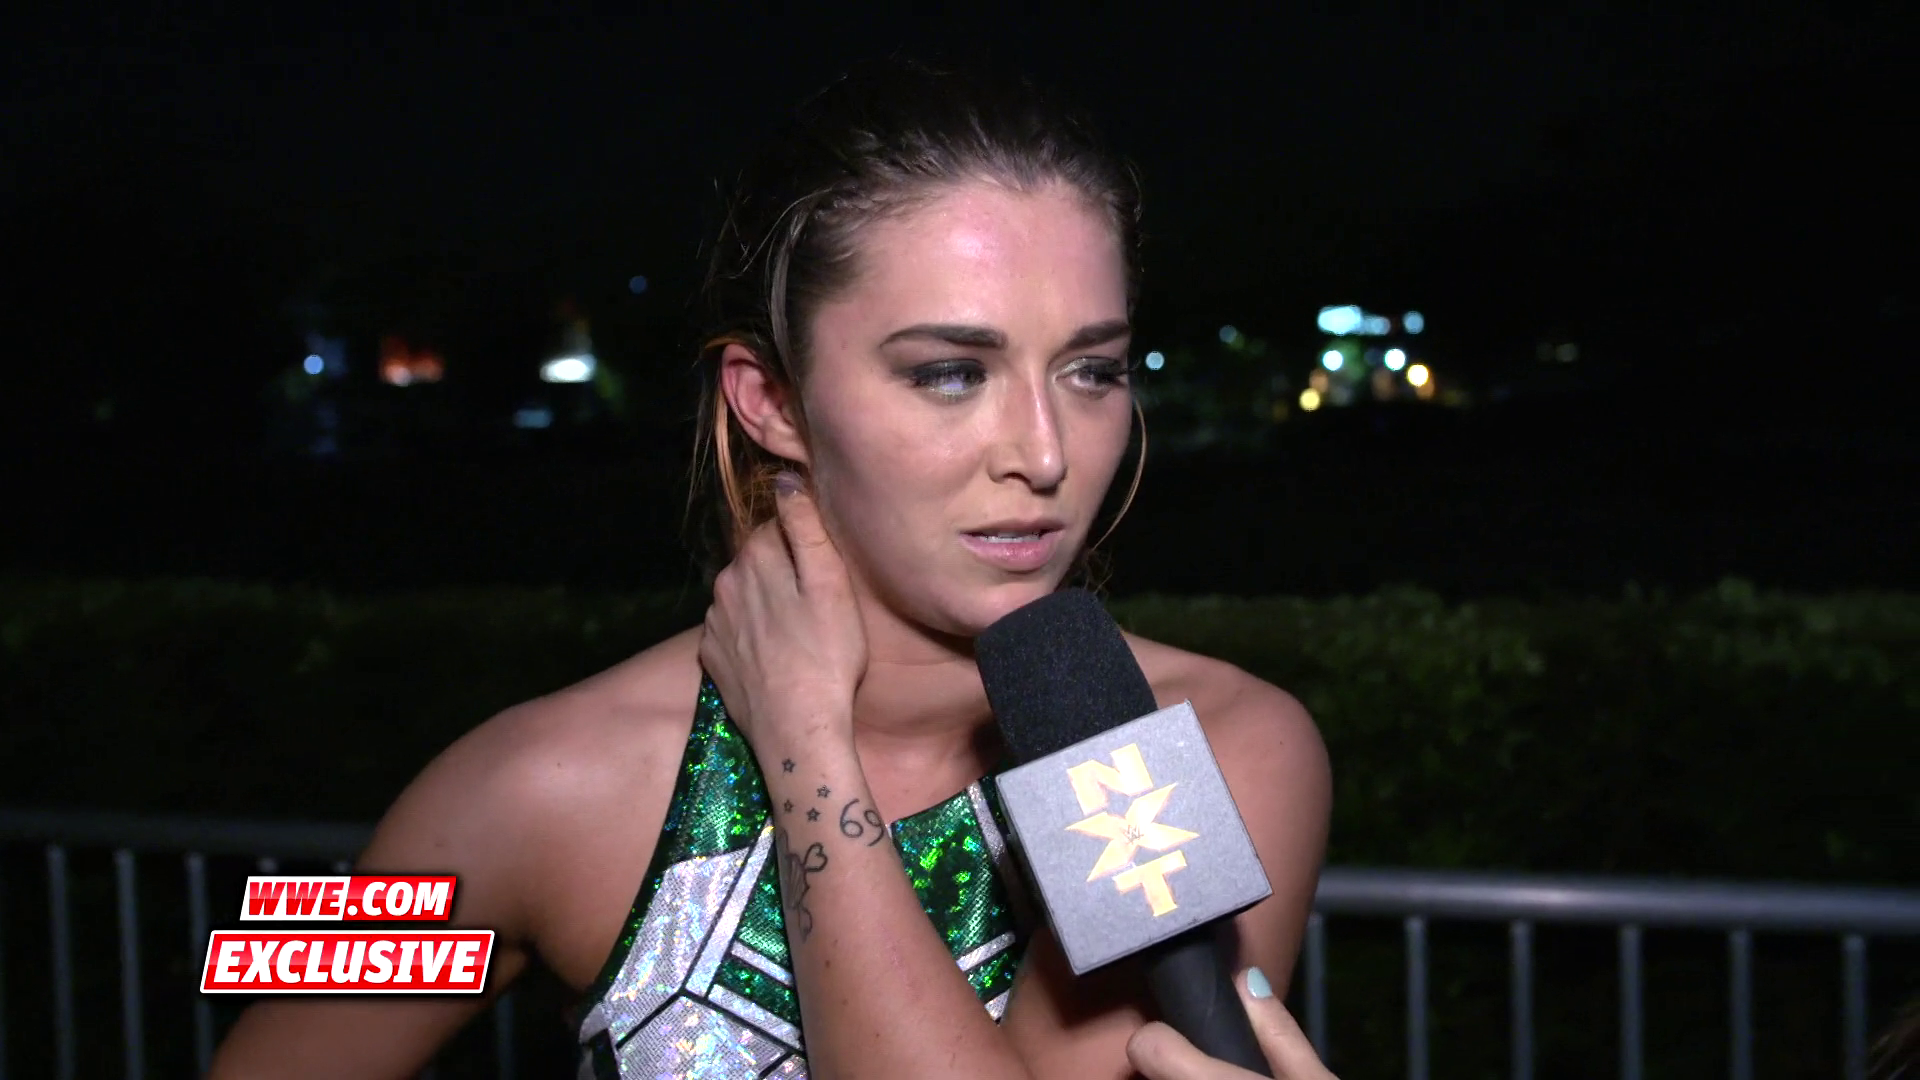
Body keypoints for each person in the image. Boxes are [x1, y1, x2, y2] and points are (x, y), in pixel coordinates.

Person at [211, 58, 1332, 1079]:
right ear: (772, 401)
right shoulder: (532, 782)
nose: (1044, 454)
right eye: (950, 373)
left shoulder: (1223, 751)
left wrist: (805, 755)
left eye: (1091, 372)